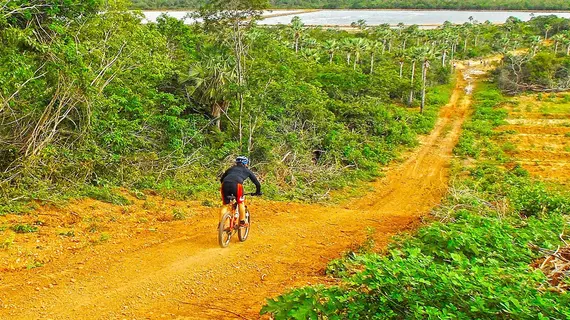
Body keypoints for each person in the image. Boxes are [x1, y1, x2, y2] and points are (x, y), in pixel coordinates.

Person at [219, 156, 262, 227]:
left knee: (225, 205)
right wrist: (258, 192)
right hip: (237, 185)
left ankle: (221, 224)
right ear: (245, 164)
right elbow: (257, 183)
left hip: (225, 184)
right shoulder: (247, 170)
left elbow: (221, 179)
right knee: (240, 202)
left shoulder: (230, 169)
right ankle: (242, 221)